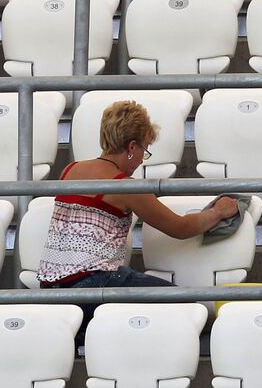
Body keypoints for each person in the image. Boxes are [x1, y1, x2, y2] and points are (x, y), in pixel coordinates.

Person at [37, 100, 239, 293]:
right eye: (145, 149)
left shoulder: (70, 170)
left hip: (50, 287)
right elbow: (180, 228)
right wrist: (218, 212)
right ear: (132, 147)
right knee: (184, 305)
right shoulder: (125, 187)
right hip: (93, 282)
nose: (142, 159)